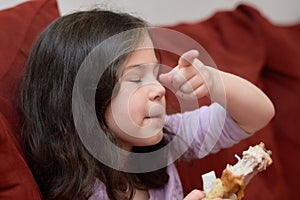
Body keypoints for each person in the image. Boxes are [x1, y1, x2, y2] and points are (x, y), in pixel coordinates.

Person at [19, 9, 275, 200]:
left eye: (154, 73)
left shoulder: (167, 136)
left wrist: (213, 81)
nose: (158, 89)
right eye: (136, 78)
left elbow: (258, 115)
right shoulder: (84, 192)